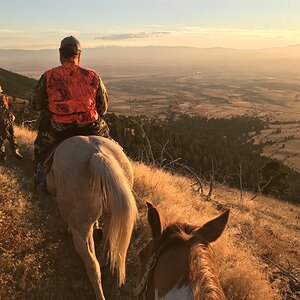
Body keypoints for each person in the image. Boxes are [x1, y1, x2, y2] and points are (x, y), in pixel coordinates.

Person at [32, 36, 109, 183]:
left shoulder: (49, 76)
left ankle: (40, 176)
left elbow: (36, 105)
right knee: (112, 146)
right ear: (79, 55)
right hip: (90, 127)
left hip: (58, 128)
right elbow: (103, 108)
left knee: (40, 147)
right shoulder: (93, 76)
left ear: (60, 54)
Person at [0, 85, 23, 162]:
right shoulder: (5, 98)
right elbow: (9, 109)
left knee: (0, 140)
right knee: (12, 137)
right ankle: (15, 151)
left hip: (2, 121)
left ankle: (2, 156)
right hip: (8, 121)